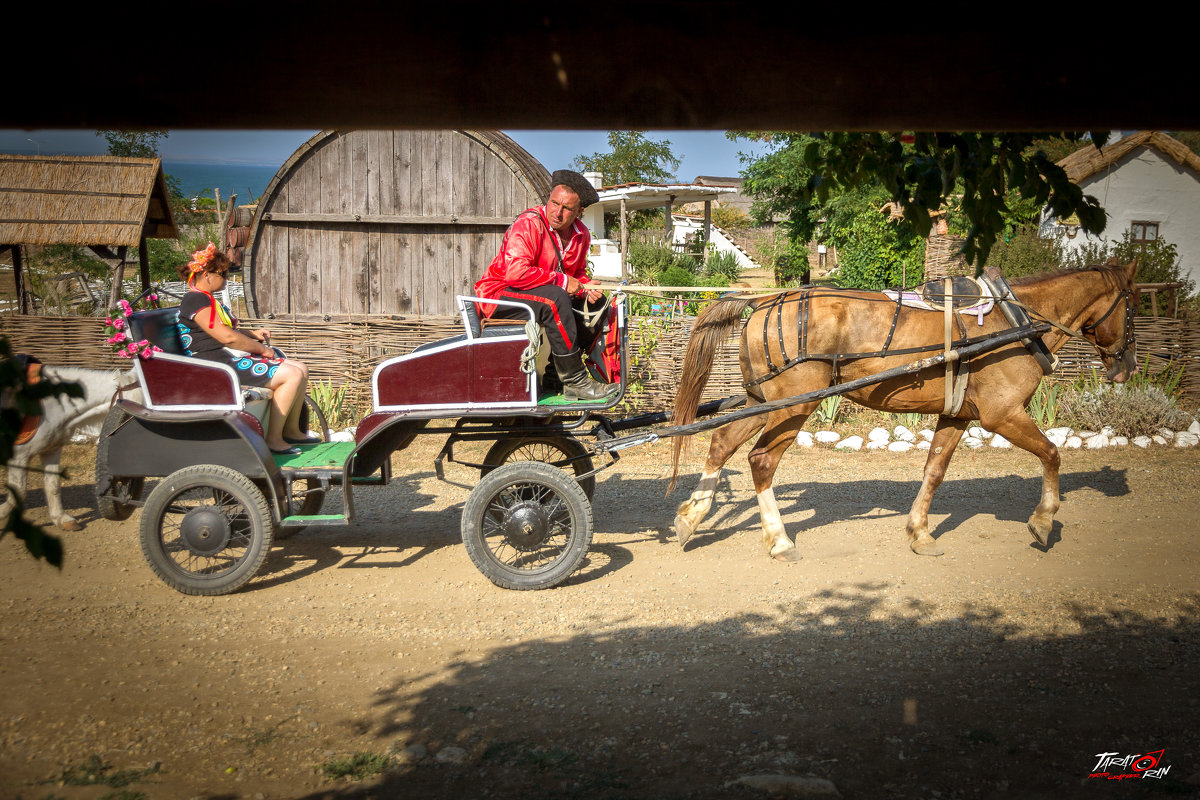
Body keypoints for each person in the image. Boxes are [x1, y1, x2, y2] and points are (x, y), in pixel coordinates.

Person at [474, 169, 618, 401]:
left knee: (595, 304)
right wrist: (563, 281)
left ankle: (554, 375)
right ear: (548, 200)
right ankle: (575, 381)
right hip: (498, 294)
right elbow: (515, 273)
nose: (557, 213)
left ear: (579, 212)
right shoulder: (528, 224)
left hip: (537, 295)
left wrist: (585, 286)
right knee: (555, 298)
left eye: (567, 208)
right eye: (554, 203)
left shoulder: (581, 235)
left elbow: (577, 273)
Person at [177, 243, 314, 455]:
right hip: (216, 365)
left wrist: (251, 335)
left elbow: (225, 331)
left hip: (224, 357)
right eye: (222, 274)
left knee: (301, 368)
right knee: (292, 375)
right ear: (206, 275)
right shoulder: (195, 299)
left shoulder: (205, 299)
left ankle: (292, 431)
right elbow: (226, 337)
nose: (225, 278)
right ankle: (274, 439)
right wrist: (262, 350)